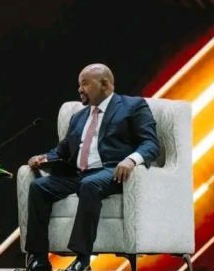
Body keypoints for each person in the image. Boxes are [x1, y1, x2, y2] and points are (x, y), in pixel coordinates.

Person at [24, 63, 160, 271]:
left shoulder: (133, 106)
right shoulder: (79, 117)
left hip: (112, 171)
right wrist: (43, 158)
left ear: (104, 84)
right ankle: (39, 259)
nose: (80, 89)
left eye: (85, 84)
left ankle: (82, 260)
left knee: (89, 184)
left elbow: (151, 144)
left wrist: (131, 160)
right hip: (78, 173)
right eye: (79, 85)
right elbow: (62, 150)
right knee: (39, 187)